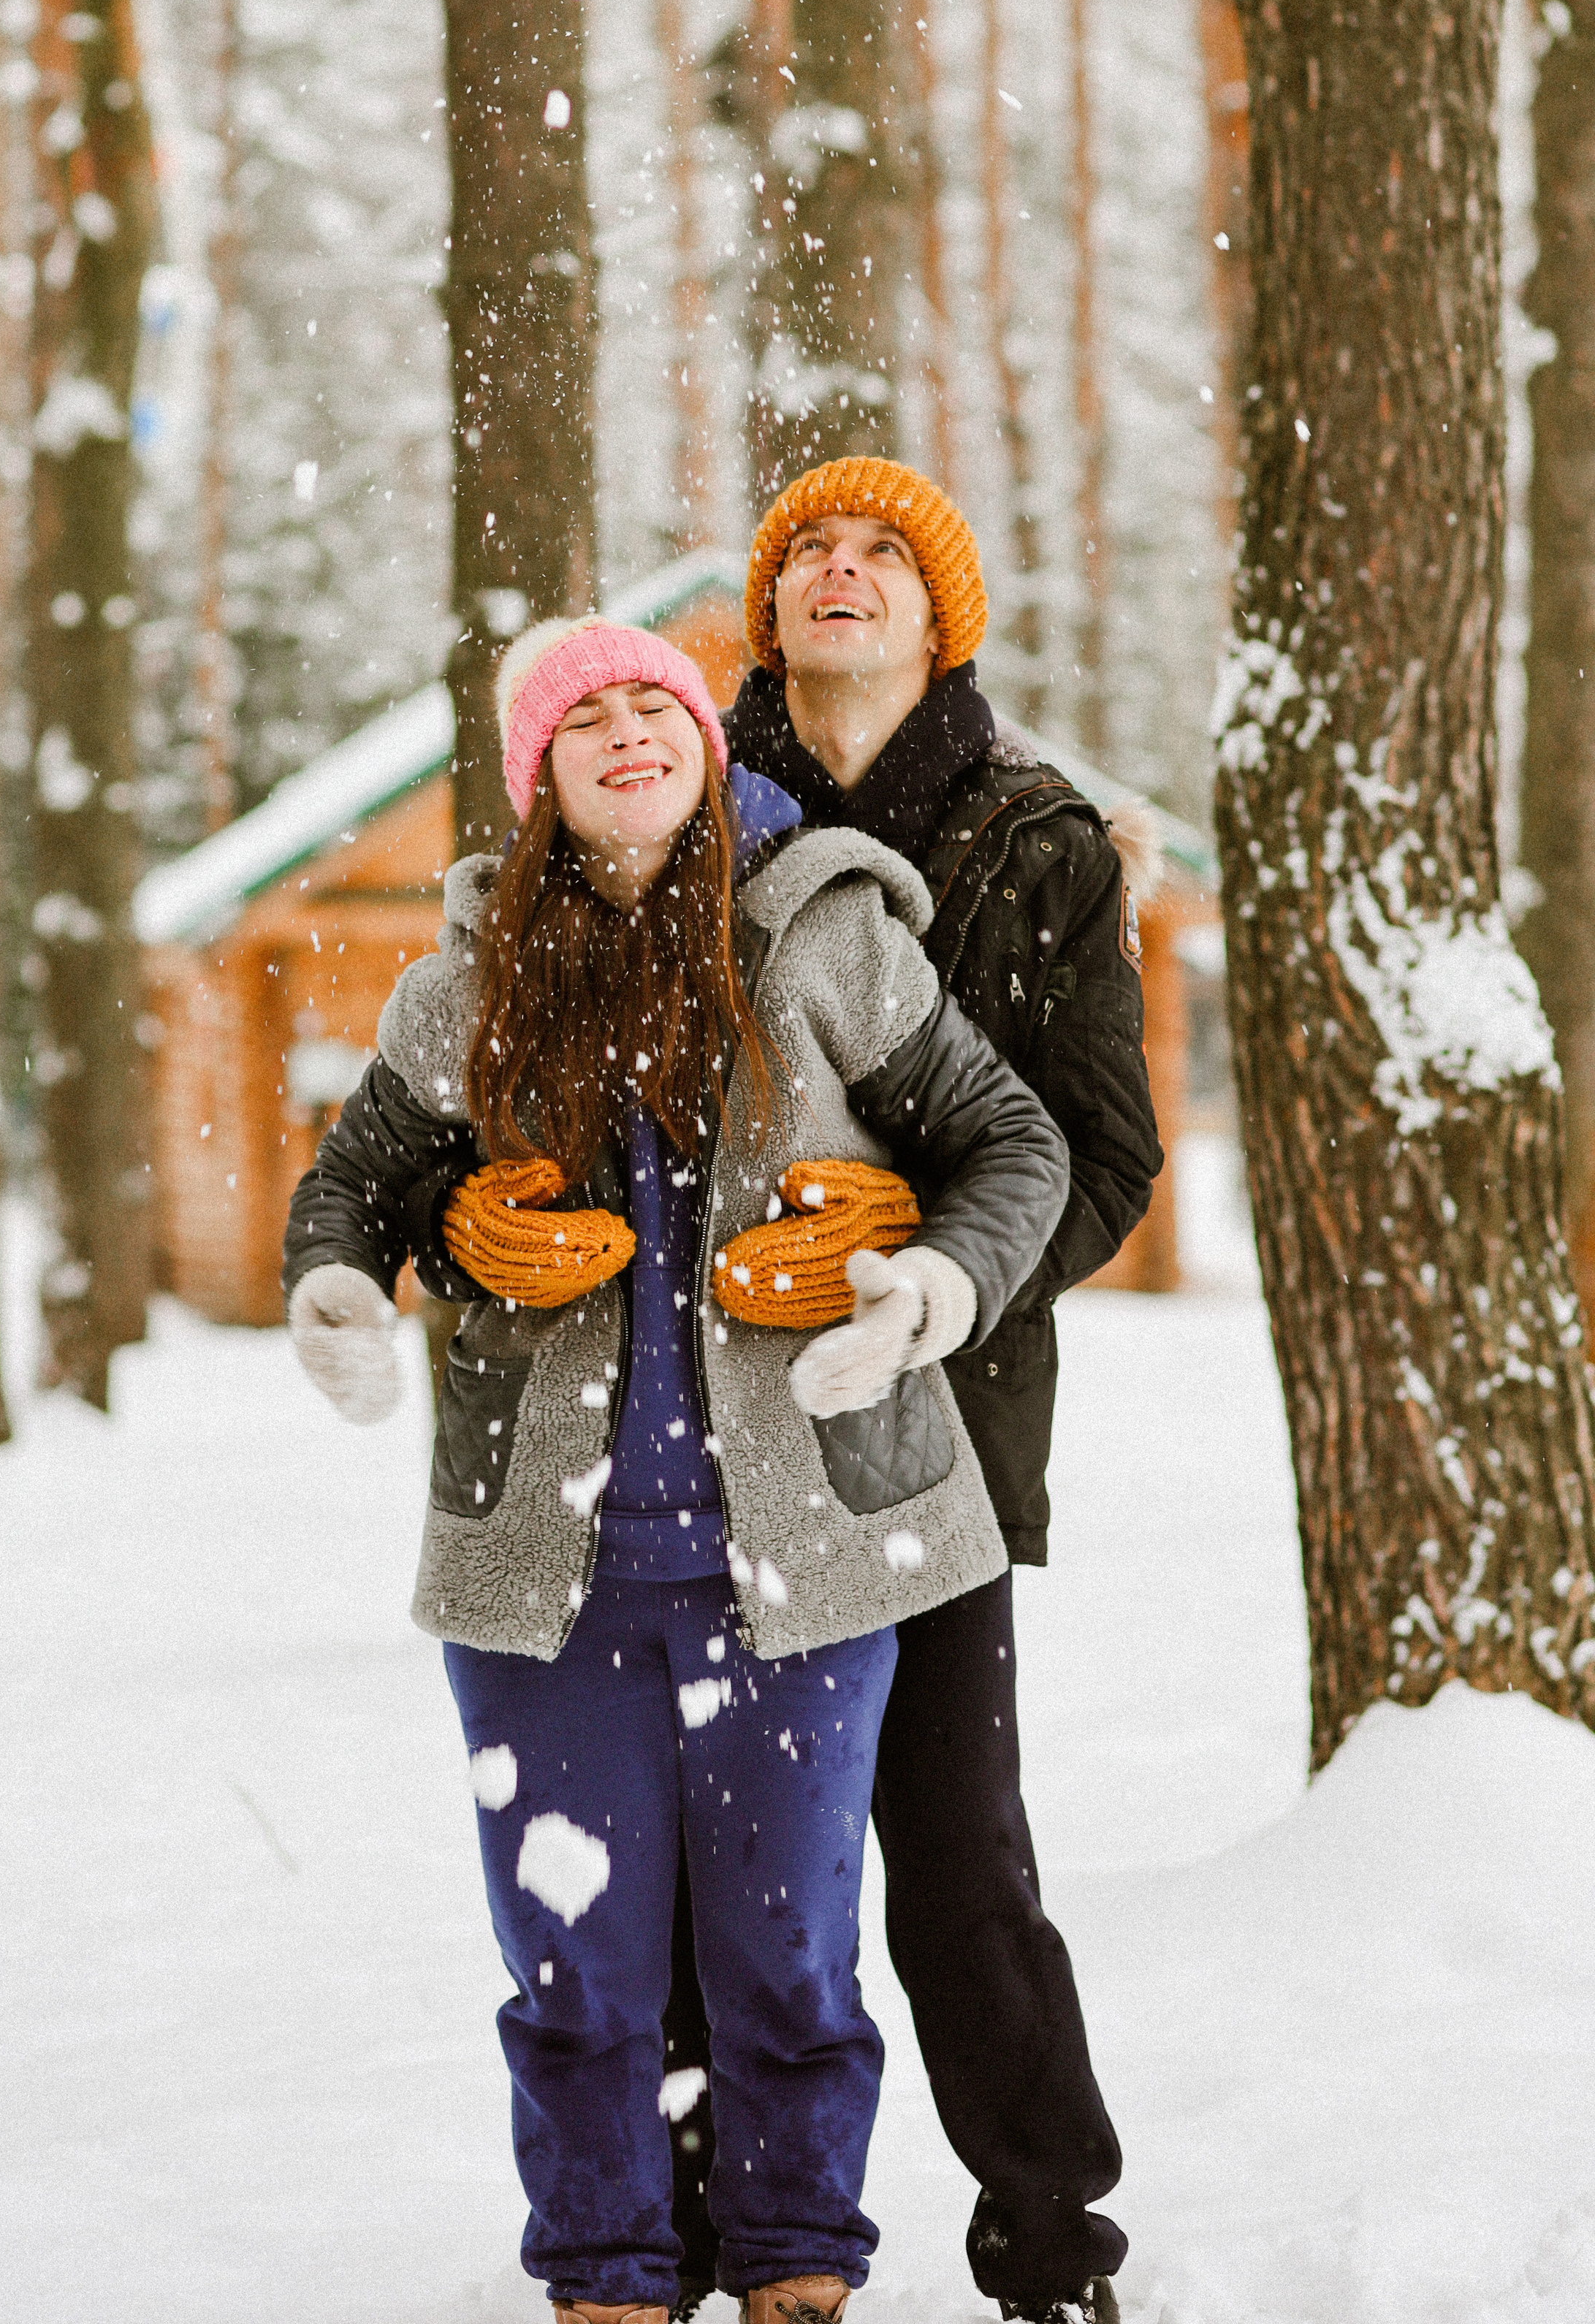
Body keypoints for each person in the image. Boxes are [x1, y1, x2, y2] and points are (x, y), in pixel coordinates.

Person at [282, 616, 1071, 2324]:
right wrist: (348, 1283)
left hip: (807, 1557)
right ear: (540, 782)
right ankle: (606, 2279)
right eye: (585, 723)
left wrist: (927, 1281)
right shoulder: (465, 988)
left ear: (707, 749)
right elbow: (353, 1183)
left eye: (657, 704)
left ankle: (796, 2266)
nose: (628, 733)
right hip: (538, 1576)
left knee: (787, 1959)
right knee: (573, 1970)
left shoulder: (825, 941)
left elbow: (1011, 1140)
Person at [672, 458, 1165, 2324]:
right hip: (692, 1421)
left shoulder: (1043, 839)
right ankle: (716, 2231)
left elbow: (1100, 1160)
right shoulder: (669, 806)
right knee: (711, 1861)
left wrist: (928, 1270)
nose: (837, 573)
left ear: (937, 612)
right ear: (767, 605)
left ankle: (1049, 2243)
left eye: (881, 552)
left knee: (954, 1860)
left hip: (936, 1431)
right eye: (805, 551)